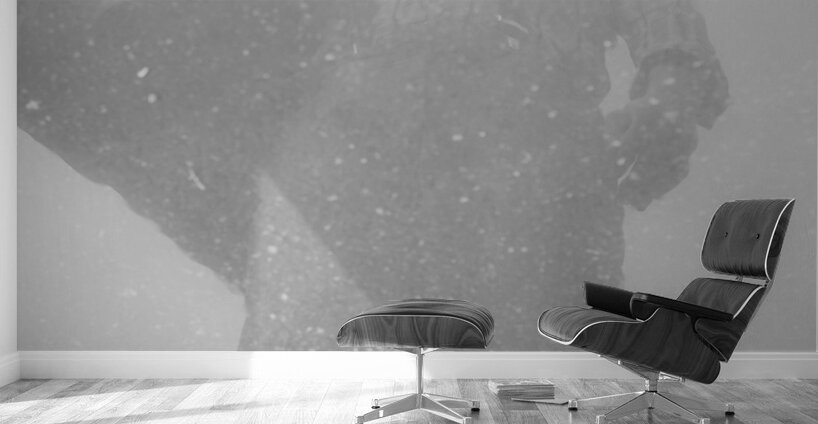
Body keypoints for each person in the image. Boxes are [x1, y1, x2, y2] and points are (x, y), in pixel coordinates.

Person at [18, 0, 728, 350]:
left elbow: (666, 24)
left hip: (524, 148)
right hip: (344, 147)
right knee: (310, 345)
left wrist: (668, 93)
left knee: (523, 346)